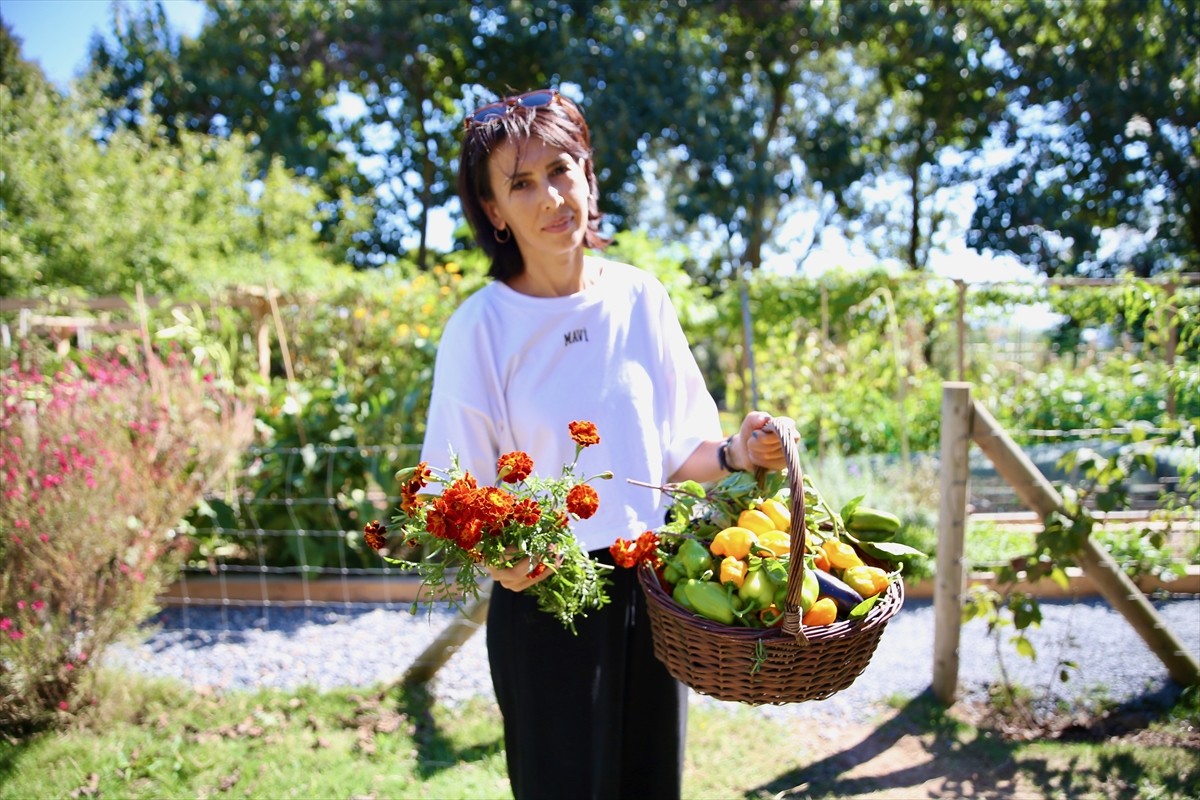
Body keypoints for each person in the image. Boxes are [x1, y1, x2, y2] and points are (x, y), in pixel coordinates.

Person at [419, 86, 792, 800]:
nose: (551, 196)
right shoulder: (481, 328)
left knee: (650, 784)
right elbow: (451, 490)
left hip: (652, 592)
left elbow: (683, 451)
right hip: (545, 599)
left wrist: (742, 452)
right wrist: (498, 557)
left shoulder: (639, 299)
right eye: (521, 183)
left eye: (561, 169)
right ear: (495, 212)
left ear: (587, 175)